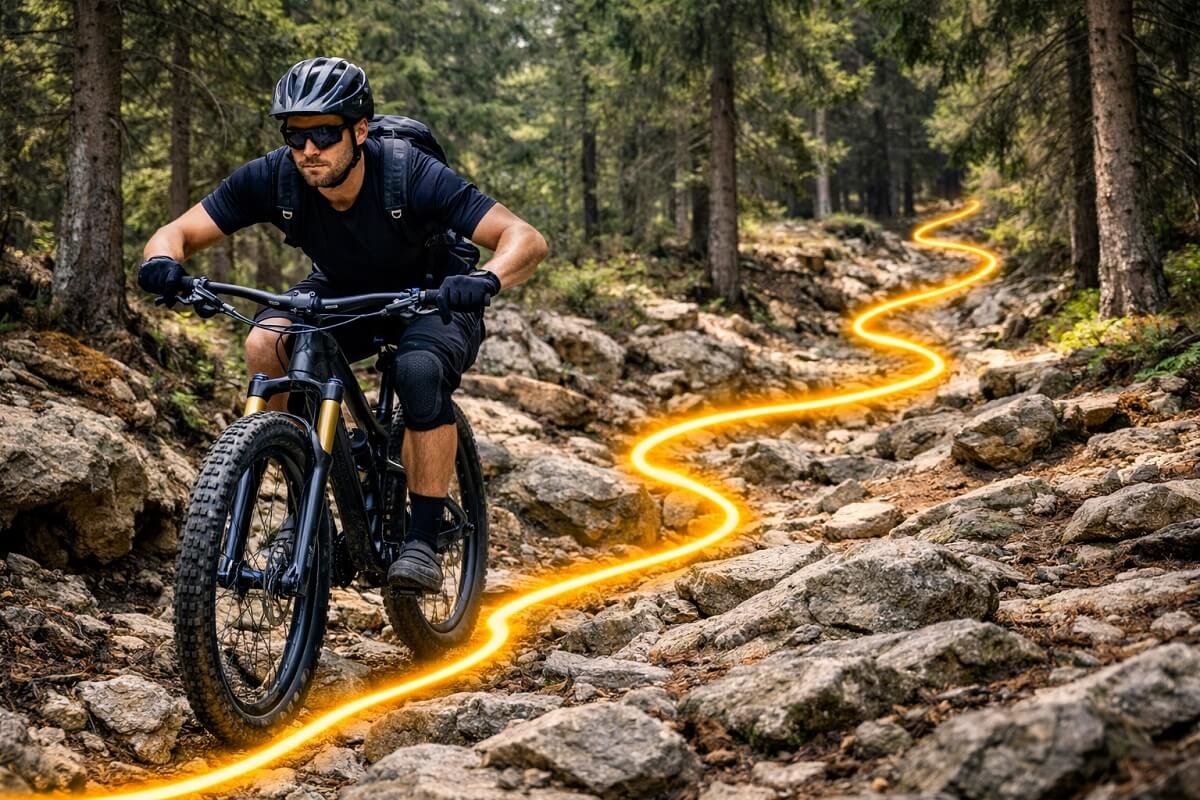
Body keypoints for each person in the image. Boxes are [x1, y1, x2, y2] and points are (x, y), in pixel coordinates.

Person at [137, 57, 548, 592]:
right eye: (295, 134)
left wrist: (487, 279)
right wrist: (161, 264)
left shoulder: (410, 173)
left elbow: (524, 237)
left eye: (325, 133)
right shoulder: (277, 176)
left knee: (419, 371)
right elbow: (177, 233)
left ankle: (422, 539)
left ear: (358, 131)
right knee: (268, 342)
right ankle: (301, 508)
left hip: (433, 289)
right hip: (343, 287)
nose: (309, 149)